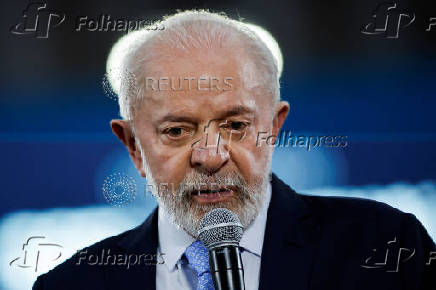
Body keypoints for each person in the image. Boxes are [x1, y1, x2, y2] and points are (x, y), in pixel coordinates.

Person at [33, 10, 435, 290]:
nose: (210, 156)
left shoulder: (387, 246)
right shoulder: (72, 285)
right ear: (134, 146)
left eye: (236, 126)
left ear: (274, 128)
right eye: (176, 130)